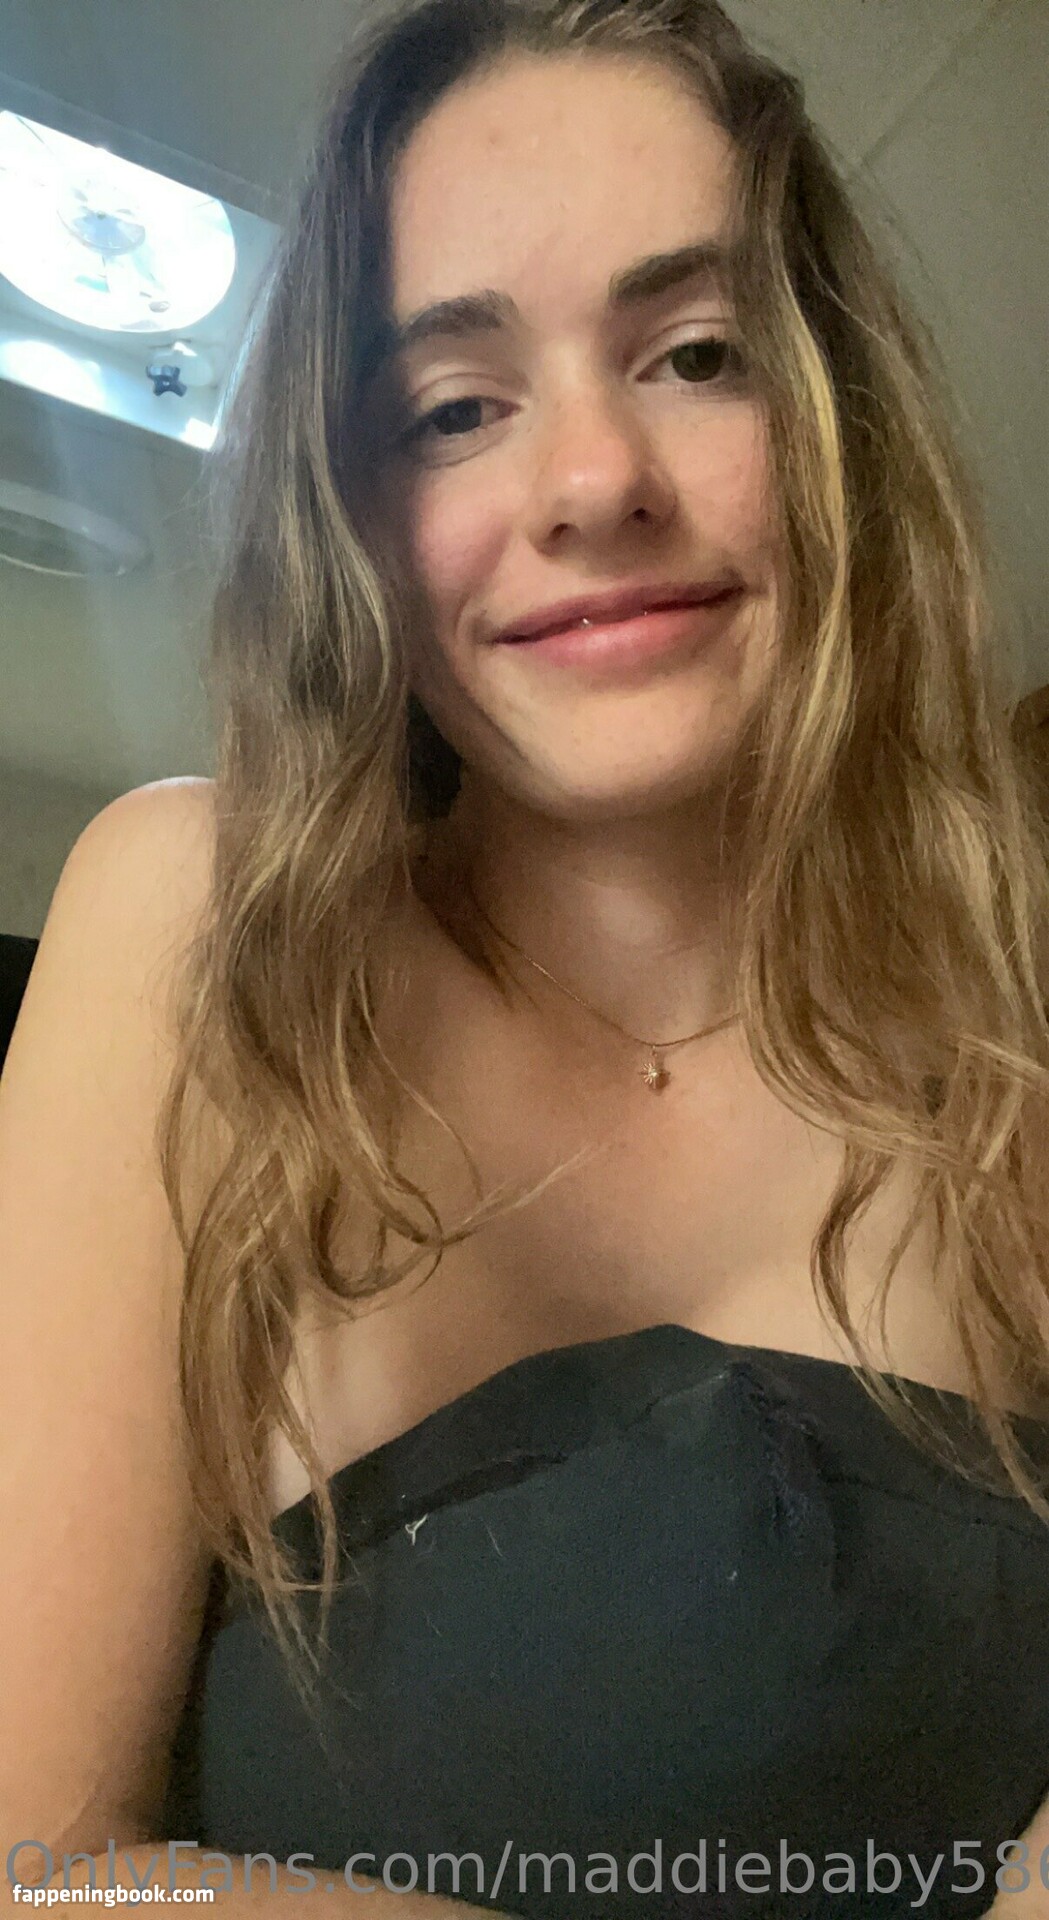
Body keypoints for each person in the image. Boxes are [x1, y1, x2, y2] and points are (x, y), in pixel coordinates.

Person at [3, 1, 1049, 1915]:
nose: (592, 482)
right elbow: (40, 1867)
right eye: (454, 406)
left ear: (843, 428)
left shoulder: (1017, 1004)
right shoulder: (200, 937)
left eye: (697, 355)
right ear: (346, 509)